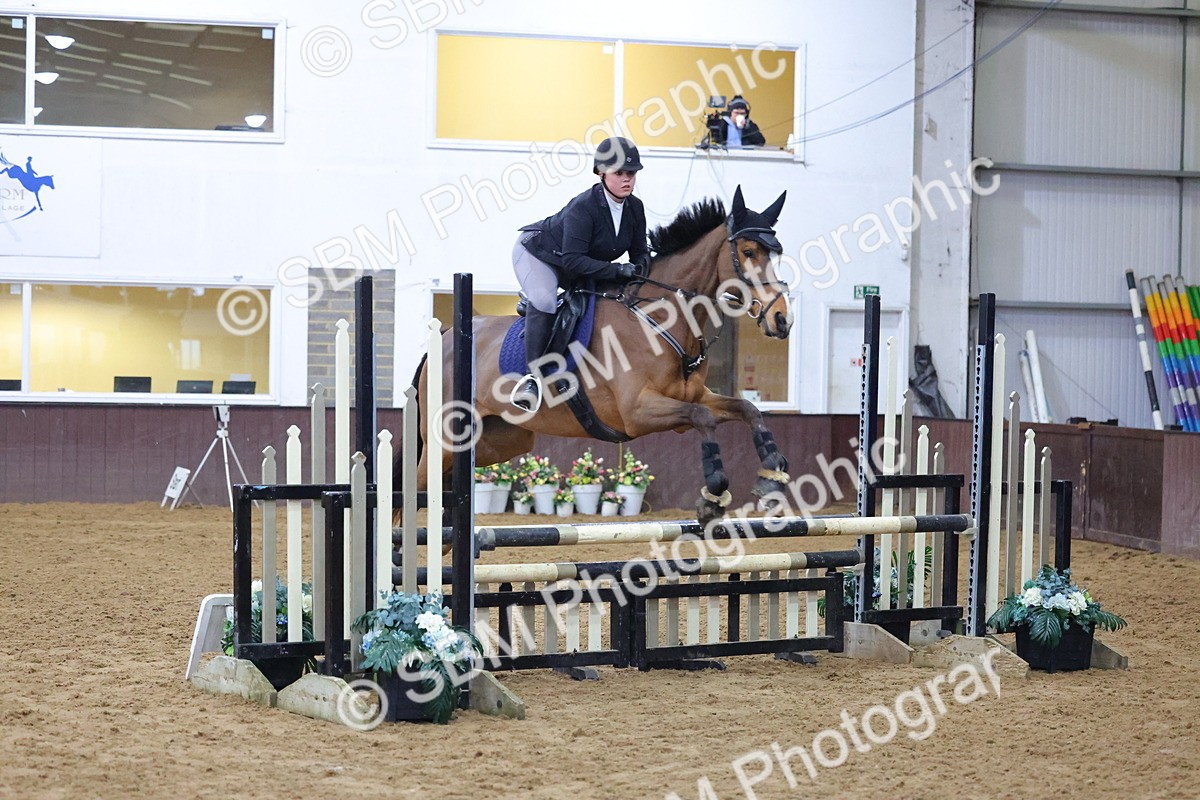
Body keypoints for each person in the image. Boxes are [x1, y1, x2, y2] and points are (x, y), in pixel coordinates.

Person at [510, 136, 651, 412]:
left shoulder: (635, 208)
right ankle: (532, 379)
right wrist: (616, 269)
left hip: (578, 263)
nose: (627, 179)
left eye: (631, 173)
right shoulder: (584, 207)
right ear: (601, 172)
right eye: (619, 173)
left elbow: (639, 252)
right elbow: (573, 261)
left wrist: (644, 268)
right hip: (540, 255)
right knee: (546, 301)